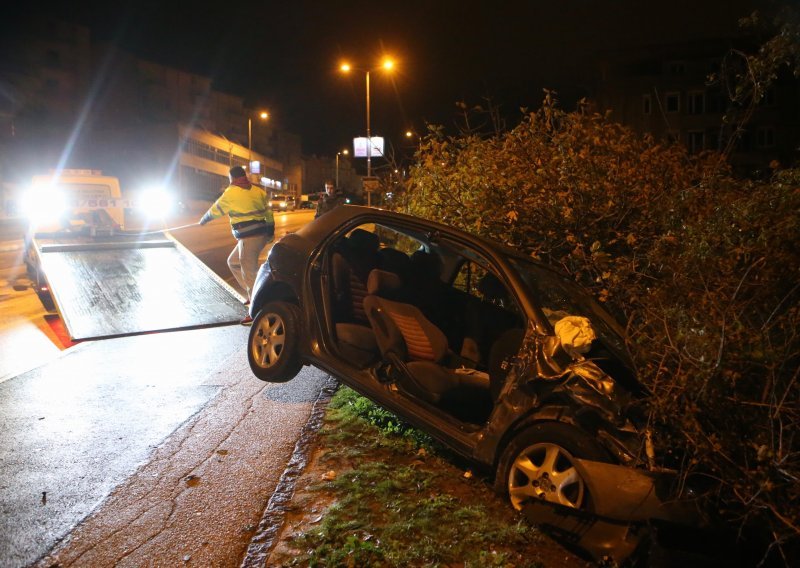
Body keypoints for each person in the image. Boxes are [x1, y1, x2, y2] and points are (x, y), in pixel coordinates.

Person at [198, 165, 274, 324]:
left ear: (231, 178)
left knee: (250, 273)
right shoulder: (258, 191)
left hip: (249, 238)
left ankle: (257, 311)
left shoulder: (231, 192)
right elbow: (268, 212)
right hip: (260, 235)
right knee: (233, 262)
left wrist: (204, 220)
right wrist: (270, 231)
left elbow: (216, 209)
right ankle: (251, 295)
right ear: (244, 176)